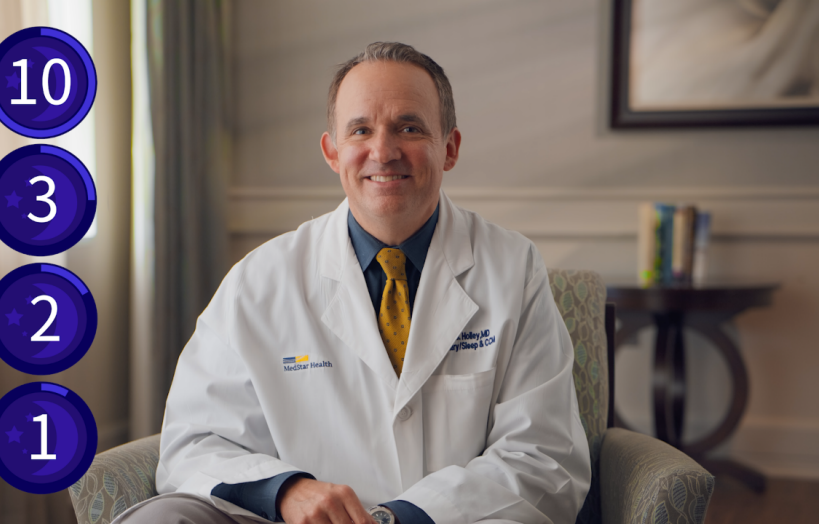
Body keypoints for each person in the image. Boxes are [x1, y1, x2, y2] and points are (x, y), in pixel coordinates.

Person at [117, 42, 589, 524]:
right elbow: (193, 443)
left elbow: (543, 454)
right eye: (360, 129)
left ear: (449, 148)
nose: (383, 152)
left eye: (409, 127)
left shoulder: (513, 268)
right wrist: (286, 492)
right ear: (332, 151)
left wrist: (400, 517)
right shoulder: (258, 281)